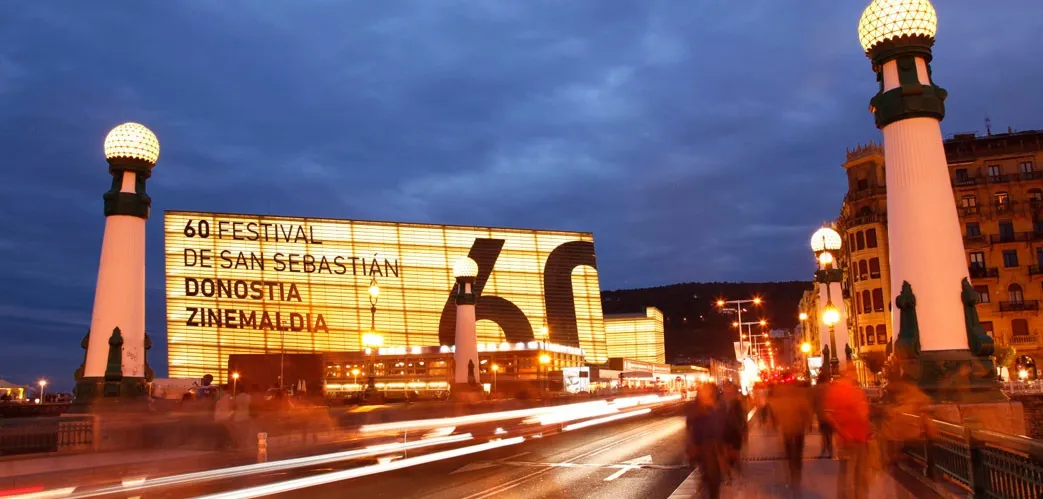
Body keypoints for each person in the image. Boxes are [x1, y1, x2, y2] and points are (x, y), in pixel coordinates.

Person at [825, 367, 873, 499]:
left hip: (858, 437)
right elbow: (830, 415)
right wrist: (843, 431)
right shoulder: (843, 390)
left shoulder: (851, 390)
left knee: (853, 474)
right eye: (853, 371)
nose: (856, 374)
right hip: (850, 438)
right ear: (847, 373)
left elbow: (829, 414)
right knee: (853, 476)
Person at [770, 381, 814, 496]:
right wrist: (809, 423)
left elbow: (774, 410)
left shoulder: (781, 397)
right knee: (798, 454)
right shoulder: (799, 395)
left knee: (789, 453)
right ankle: (796, 477)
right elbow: (807, 409)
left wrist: (775, 423)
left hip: (787, 429)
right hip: (798, 428)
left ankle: (792, 475)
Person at [685, 382, 726, 499]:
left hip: (710, 451)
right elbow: (694, 431)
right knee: (711, 481)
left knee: (711, 481)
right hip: (707, 451)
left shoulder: (713, 408)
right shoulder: (701, 410)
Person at [720, 381, 747, 482]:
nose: (727, 391)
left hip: (735, 431)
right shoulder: (720, 402)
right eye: (725, 388)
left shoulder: (737, 403)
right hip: (725, 432)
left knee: (735, 454)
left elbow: (742, 417)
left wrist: (743, 430)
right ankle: (729, 476)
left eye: (729, 388)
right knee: (726, 454)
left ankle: (737, 472)